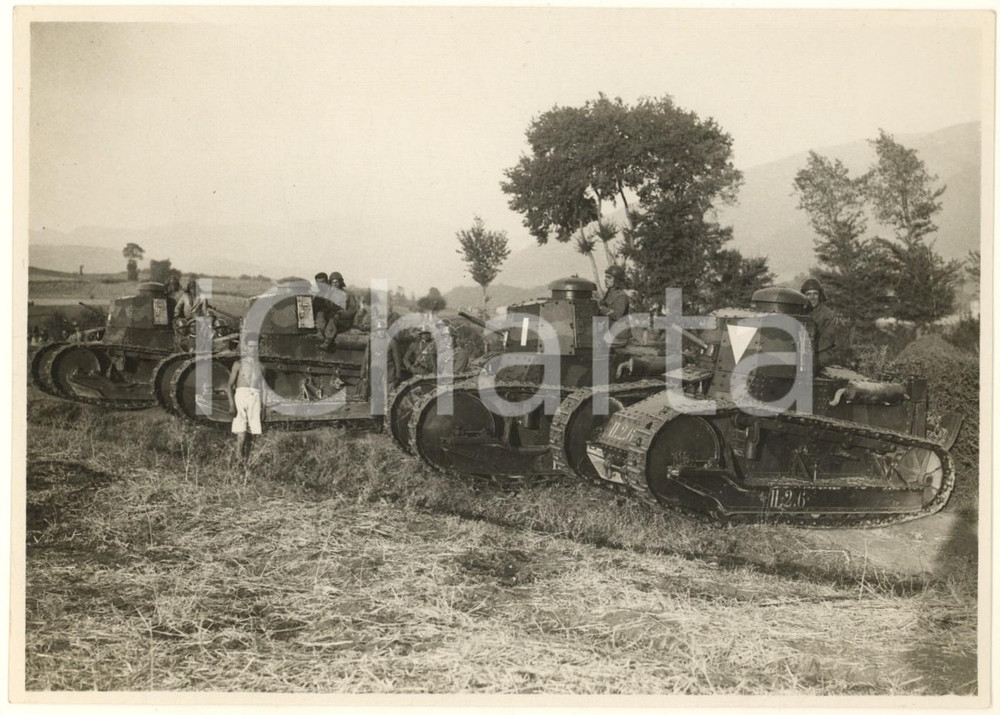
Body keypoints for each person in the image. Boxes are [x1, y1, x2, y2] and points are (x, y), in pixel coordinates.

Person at [227, 334, 264, 466]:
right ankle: (238, 459)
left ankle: (248, 461)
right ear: (246, 347)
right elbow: (229, 385)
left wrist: (263, 406)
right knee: (241, 430)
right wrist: (231, 404)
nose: (253, 349)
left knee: (254, 431)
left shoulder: (261, 366)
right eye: (250, 346)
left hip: (255, 396)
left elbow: (262, 387)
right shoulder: (238, 364)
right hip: (241, 396)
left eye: (255, 346)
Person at [800, 278, 849, 370]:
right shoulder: (800, 312)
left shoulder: (828, 315)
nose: (812, 297)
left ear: (820, 295)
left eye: (815, 294)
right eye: (808, 294)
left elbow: (827, 341)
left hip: (820, 354)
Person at [600, 264, 631, 347]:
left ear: (617, 280)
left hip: (619, 336)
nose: (605, 280)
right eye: (605, 277)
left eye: (609, 277)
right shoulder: (610, 293)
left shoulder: (621, 296)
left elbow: (617, 315)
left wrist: (601, 308)